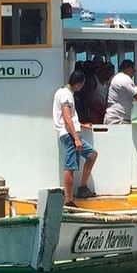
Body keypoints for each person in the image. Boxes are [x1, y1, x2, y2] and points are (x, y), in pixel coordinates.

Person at [54, 70, 99, 206]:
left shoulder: (62, 92)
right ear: (78, 84)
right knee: (70, 167)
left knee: (92, 154)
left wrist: (81, 125)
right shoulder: (66, 95)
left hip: (72, 132)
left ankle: (82, 188)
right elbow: (67, 118)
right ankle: (69, 200)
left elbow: (70, 118)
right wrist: (76, 138)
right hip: (70, 135)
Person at [104, 59, 137, 124]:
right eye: (133, 70)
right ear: (129, 68)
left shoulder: (116, 77)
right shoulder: (124, 78)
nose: (134, 72)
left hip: (115, 118)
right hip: (117, 119)